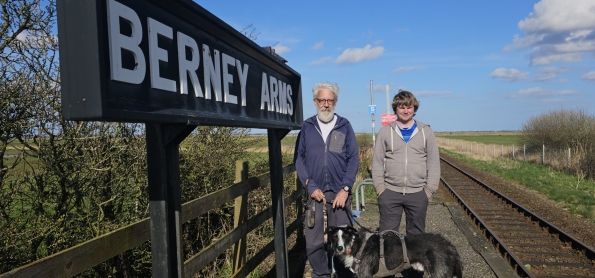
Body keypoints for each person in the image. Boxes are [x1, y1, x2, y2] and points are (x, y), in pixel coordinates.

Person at [294, 82, 359, 278]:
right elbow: (299, 159)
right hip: (316, 193)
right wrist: (309, 185)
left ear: (335, 102)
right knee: (314, 242)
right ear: (315, 102)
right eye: (322, 100)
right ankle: (321, 274)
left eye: (330, 100)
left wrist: (345, 188)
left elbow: (353, 158)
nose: (326, 104)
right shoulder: (307, 127)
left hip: (339, 194)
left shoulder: (344, 126)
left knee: (344, 241)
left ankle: (344, 274)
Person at [372, 89, 440, 235]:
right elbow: (377, 161)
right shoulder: (385, 131)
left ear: (414, 109)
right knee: (388, 236)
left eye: (409, 107)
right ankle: (391, 259)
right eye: (402, 107)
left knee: (416, 240)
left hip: (418, 192)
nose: (405, 110)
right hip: (390, 192)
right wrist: (380, 188)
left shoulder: (426, 131)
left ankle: (412, 259)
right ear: (396, 109)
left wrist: (428, 191)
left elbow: (434, 162)